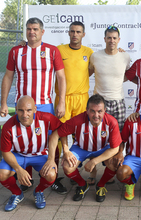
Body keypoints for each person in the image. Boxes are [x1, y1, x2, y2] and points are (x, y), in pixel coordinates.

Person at [0, 17, 67, 193]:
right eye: (29, 29)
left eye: (35, 29)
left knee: (52, 140)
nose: (32, 32)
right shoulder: (16, 51)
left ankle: (52, 176)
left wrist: (61, 102)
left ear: (42, 31)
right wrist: (4, 102)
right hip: (23, 105)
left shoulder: (52, 51)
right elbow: (8, 76)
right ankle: (25, 178)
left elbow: (61, 77)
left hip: (45, 104)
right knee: (24, 141)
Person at [49, 94, 121, 202]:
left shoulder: (112, 122)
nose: (96, 115)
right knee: (67, 166)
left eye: (100, 111)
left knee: (115, 163)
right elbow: (57, 133)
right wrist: (66, 150)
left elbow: (115, 148)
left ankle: (100, 185)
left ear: (105, 110)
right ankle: (83, 185)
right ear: (87, 110)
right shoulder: (77, 120)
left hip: (102, 149)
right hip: (81, 148)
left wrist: (94, 161)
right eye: (92, 111)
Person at [0, 96, 62, 211]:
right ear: (16, 109)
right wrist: (18, 170)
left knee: (51, 175)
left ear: (35, 109)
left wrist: (54, 157)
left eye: (28, 110)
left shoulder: (46, 118)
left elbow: (62, 130)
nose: (25, 115)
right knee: (1, 174)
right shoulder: (9, 126)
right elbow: (6, 152)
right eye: (21, 110)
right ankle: (17, 193)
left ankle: (39, 191)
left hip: (40, 154)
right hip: (17, 155)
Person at [88, 25, 131, 185]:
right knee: (94, 137)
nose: (112, 40)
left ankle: (111, 170)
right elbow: (87, 73)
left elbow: (127, 74)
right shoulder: (95, 56)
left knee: (117, 138)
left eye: (114, 38)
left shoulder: (125, 56)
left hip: (118, 101)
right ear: (104, 39)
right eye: (109, 37)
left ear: (118, 40)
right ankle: (92, 173)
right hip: (99, 102)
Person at [55, 21, 94, 187]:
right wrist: (24, 44)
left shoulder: (89, 52)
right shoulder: (59, 49)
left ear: (83, 34)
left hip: (82, 98)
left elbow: (91, 69)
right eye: (72, 31)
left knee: (81, 131)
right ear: (68, 33)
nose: (75, 34)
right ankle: (63, 155)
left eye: (78, 32)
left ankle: (75, 164)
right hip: (64, 98)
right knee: (62, 129)